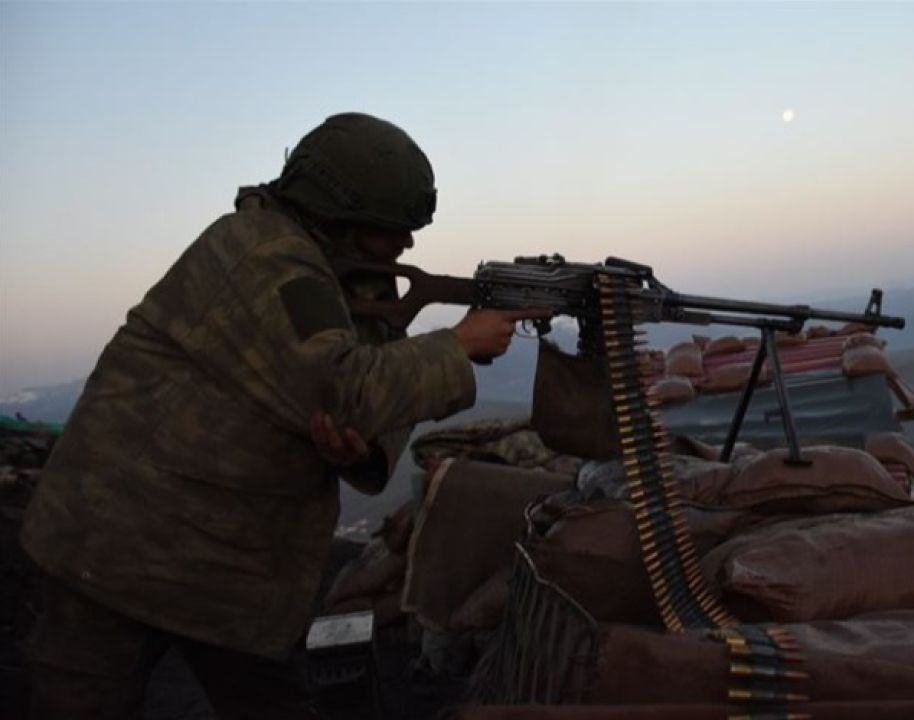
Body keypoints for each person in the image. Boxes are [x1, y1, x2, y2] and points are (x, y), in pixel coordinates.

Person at [19, 112, 544, 718]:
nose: (405, 244)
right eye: (389, 228)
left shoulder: (329, 267)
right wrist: (458, 345)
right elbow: (344, 387)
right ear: (336, 211)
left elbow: (350, 395)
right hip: (115, 545)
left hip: (222, 562)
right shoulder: (266, 256)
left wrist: (358, 447)